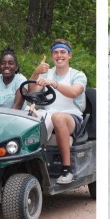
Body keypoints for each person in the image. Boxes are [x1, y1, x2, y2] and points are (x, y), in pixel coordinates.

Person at [29, 38, 86, 184]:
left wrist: (54, 84)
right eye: (55, 52)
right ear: (52, 56)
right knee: (28, 115)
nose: (59, 55)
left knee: (58, 117)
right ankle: (28, 164)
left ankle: (67, 170)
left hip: (72, 116)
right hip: (48, 113)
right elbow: (32, 92)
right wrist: (36, 73)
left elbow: (74, 92)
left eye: (62, 52)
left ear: (69, 55)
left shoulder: (77, 75)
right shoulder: (46, 73)